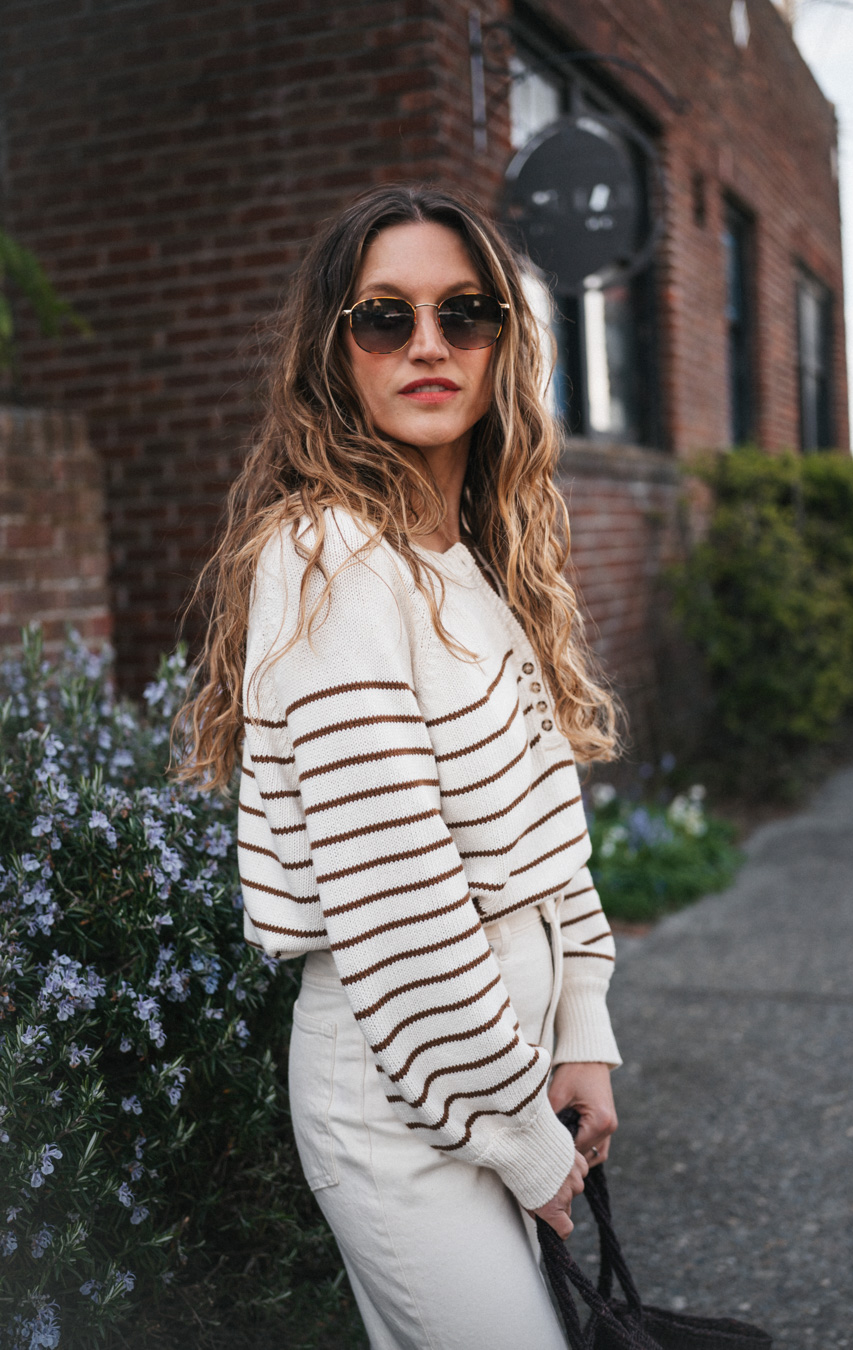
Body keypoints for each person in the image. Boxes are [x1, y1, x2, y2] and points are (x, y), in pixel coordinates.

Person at [177, 184, 622, 1350]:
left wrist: (583, 1029)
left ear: (501, 347)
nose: (428, 344)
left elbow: (548, 837)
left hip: (498, 1078)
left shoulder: (476, 561)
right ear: (337, 353)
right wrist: (524, 1138)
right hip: (398, 1097)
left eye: (464, 313)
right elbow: (399, 907)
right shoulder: (328, 563)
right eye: (385, 317)